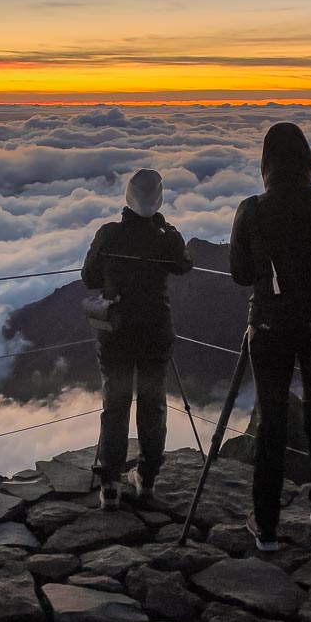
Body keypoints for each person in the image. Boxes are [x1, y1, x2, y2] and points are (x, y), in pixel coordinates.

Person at [229, 123, 311, 552]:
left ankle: (265, 528)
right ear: (307, 161)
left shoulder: (251, 209)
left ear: (266, 164)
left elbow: (241, 274)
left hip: (268, 327)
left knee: (272, 424)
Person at [82, 168, 193, 509]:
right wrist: (165, 226)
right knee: (152, 403)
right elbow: (183, 264)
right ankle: (146, 479)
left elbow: (89, 278)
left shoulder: (108, 234)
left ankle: (110, 486)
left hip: (116, 332)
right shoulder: (164, 237)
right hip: (156, 331)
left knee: (114, 405)